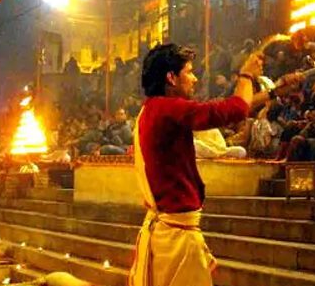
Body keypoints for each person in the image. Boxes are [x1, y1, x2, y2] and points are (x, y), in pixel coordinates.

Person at [128, 43, 302, 286]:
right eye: (189, 71)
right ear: (171, 77)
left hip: (169, 235)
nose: (195, 78)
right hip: (175, 239)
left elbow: (234, 106)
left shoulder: (154, 109)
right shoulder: (166, 109)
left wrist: (274, 92)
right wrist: (246, 74)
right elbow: (235, 109)